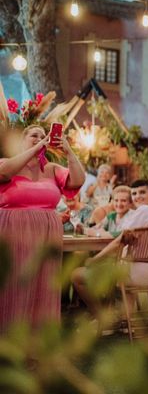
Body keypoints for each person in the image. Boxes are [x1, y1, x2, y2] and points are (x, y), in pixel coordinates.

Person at [0, 125, 85, 332]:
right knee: (15, 285)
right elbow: (3, 172)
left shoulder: (51, 169)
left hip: (47, 237)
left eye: (43, 135)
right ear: (22, 141)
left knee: (42, 288)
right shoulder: (7, 163)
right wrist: (37, 146)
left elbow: (78, 180)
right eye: (34, 135)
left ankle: (37, 345)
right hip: (13, 234)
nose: (40, 138)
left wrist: (68, 151)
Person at [71, 179, 148, 319]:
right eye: (134, 193)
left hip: (136, 274)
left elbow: (119, 241)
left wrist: (94, 260)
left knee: (77, 275)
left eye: (142, 192)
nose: (137, 196)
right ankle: (124, 321)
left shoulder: (144, 211)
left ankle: (101, 318)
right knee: (113, 265)